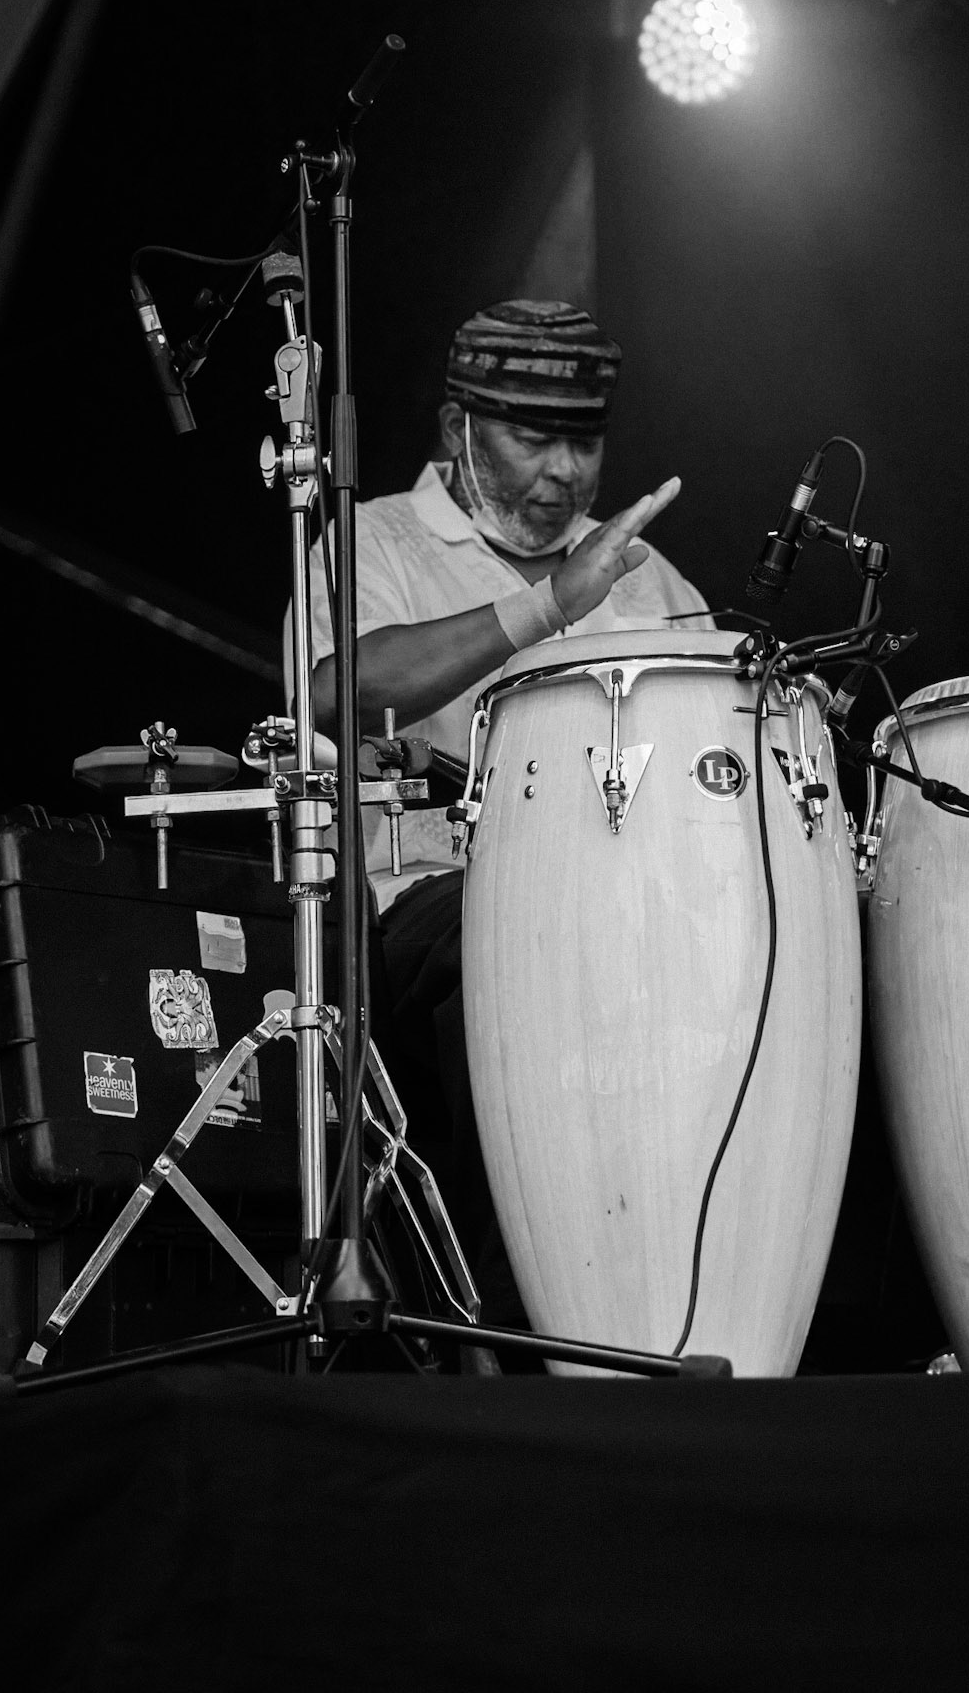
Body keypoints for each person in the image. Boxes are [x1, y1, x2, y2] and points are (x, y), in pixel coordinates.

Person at [293, 298, 712, 1319]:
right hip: (435, 907)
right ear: (457, 431)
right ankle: (524, 1324)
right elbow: (339, 687)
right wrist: (549, 605)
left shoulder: (648, 574)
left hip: (638, 910)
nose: (564, 472)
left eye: (583, 441)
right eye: (534, 438)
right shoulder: (375, 539)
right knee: (521, 946)